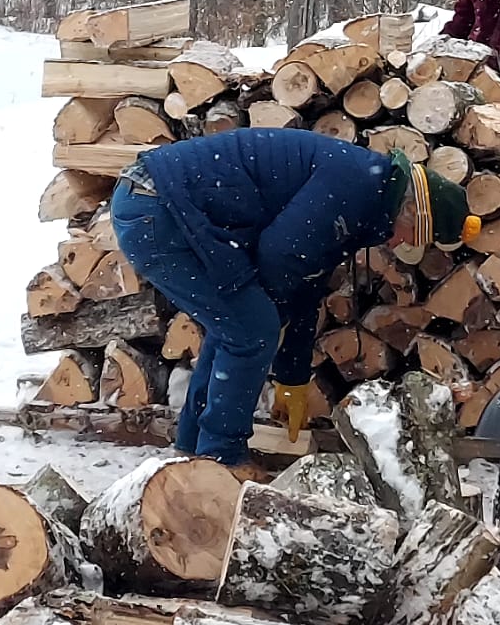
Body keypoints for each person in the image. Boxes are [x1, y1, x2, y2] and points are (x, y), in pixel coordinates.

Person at [107, 127, 474, 467]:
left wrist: (292, 376)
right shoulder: (356, 187)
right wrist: (272, 321)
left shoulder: (364, 196)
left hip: (159, 205)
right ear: (410, 210)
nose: (400, 243)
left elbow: (305, 285)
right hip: (159, 208)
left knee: (236, 326)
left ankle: (192, 453)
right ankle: (223, 461)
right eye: (412, 234)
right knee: (251, 330)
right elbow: (280, 254)